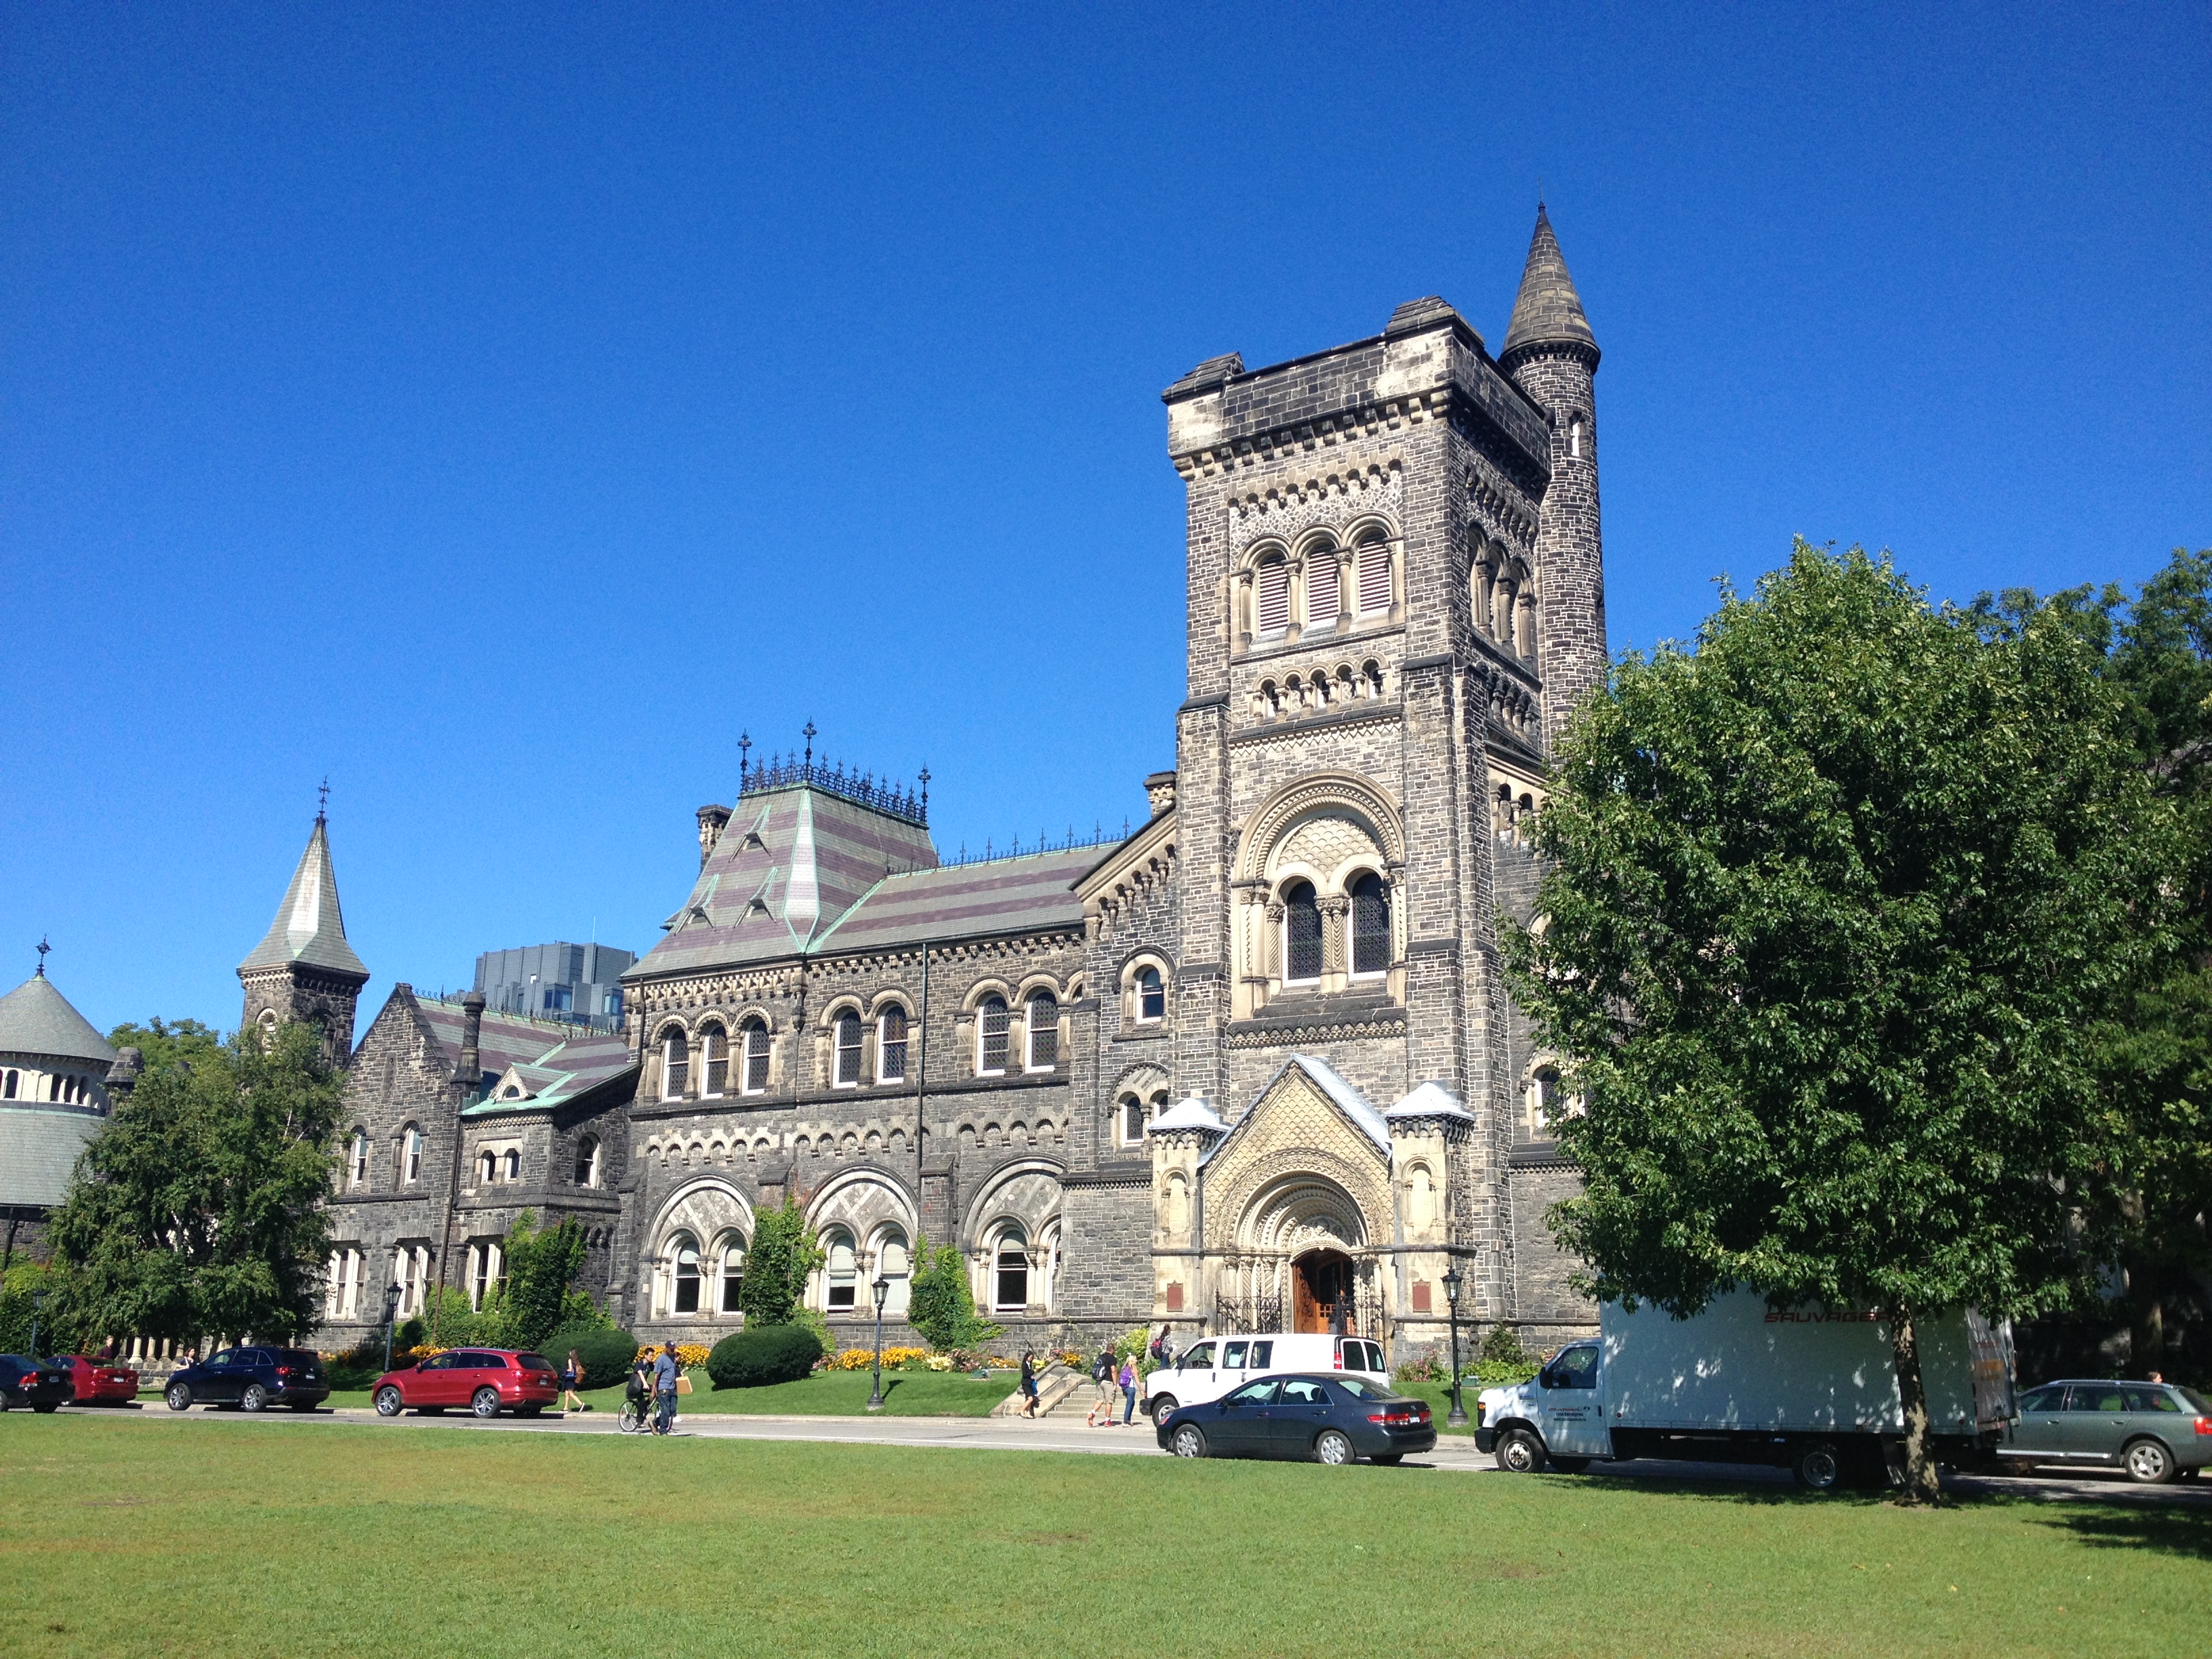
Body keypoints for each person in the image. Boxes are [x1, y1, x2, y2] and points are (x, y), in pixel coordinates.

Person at [652, 1340, 680, 1435]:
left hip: (672, 1388)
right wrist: (653, 1391)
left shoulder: (674, 1357)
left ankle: (654, 1423)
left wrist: (677, 1362)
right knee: (665, 1410)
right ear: (666, 1348)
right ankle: (663, 1431)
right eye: (671, 1349)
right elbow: (657, 1375)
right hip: (663, 1388)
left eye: (674, 1349)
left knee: (672, 1410)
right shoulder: (661, 1359)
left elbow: (676, 1369)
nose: (673, 1350)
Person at [1086, 1346, 1117, 1427]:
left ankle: (1092, 1413)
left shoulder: (1101, 1357)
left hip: (1099, 1381)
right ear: (1112, 1350)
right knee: (1109, 1402)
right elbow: (1113, 1370)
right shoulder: (1112, 1358)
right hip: (1108, 1382)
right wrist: (1115, 1383)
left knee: (1100, 1400)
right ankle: (1107, 1421)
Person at [560, 1347, 588, 1413]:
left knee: (571, 1393)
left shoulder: (570, 1360)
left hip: (569, 1378)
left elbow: (570, 1370)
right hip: (573, 1378)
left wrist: (565, 1370)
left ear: (571, 1353)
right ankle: (565, 1408)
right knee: (567, 1393)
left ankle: (581, 1404)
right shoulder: (576, 1361)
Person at [1018, 1350, 1040, 1418]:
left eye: (1032, 1358)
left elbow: (1030, 1373)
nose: (1031, 1359)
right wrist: (1033, 1371)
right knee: (1031, 1399)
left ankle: (1027, 1413)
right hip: (1025, 1383)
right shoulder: (1024, 1364)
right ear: (1027, 1357)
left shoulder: (1029, 1364)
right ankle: (1022, 1410)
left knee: (1028, 1398)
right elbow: (1025, 1374)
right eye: (1030, 1357)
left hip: (1030, 1383)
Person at [1118, 1355, 1138, 1426]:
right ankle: (1126, 1421)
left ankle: (1128, 1420)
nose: (1137, 1361)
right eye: (1135, 1359)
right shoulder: (1133, 1368)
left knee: (1131, 1403)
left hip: (1125, 1388)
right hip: (1131, 1388)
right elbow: (1137, 1380)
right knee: (1130, 1404)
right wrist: (1141, 1389)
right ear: (1132, 1360)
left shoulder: (1124, 1368)